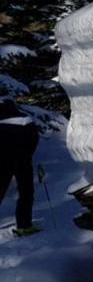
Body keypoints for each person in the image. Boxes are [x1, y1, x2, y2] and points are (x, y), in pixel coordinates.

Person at [0, 97, 39, 235]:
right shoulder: (26, 118)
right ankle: (24, 225)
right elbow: (34, 139)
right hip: (23, 160)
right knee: (26, 192)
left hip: (2, 160)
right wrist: (28, 154)